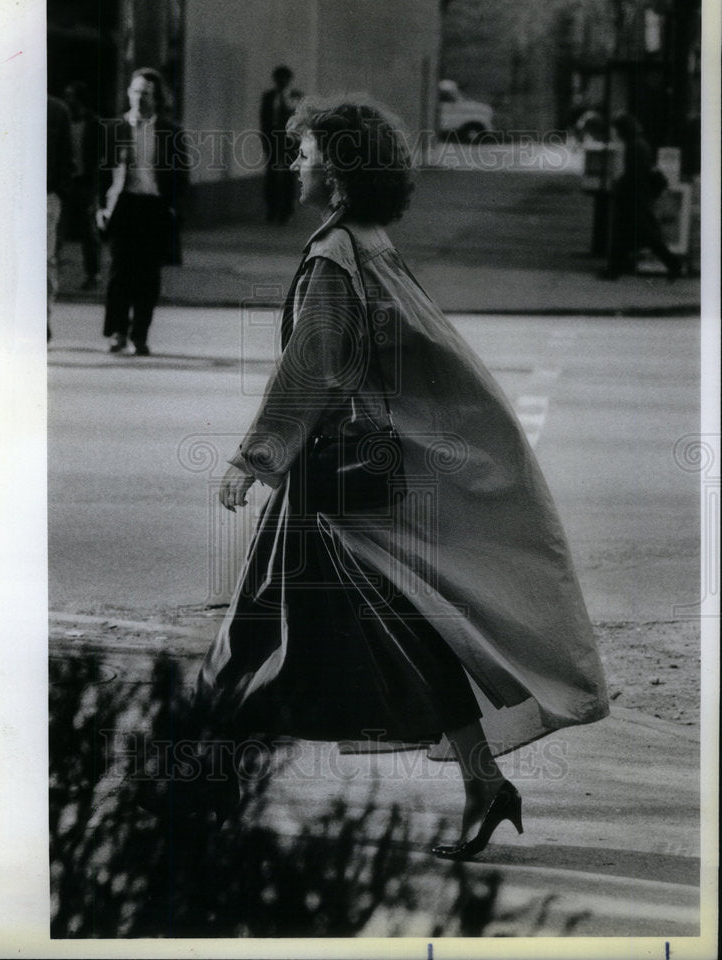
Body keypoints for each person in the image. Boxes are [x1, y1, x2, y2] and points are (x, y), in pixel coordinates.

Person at [191, 97, 609, 859]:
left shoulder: (336, 256)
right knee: (400, 629)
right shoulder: (369, 241)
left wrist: (250, 460)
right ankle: (483, 783)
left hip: (335, 486)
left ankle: (206, 791)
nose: (295, 165)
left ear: (339, 172)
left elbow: (312, 369)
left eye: (306, 153)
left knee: (257, 630)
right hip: (362, 480)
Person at [97, 68, 189, 355]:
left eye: (146, 94)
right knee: (119, 273)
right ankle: (117, 332)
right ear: (128, 94)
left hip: (154, 208)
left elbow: (181, 175)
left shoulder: (170, 131)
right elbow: (101, 173)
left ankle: (140, 334)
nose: (139, 98)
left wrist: (175, 209)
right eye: (135, 92)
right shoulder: (116, 128)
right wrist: (100, 207)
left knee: (148, 276)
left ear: (156, 98)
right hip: (124, 205)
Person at [600, 112, 682, 280]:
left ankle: (673, 264)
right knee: (635, 236)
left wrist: (620, 185)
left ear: (623, 130)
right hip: (638, 197)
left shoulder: (634, 147)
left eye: (617, 129)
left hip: (634, 198)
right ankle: (614, 270)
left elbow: (634, 174)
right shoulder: (639, 144)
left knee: (635, 236)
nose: (615, 133)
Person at [61, 81, 103, 291]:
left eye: (70, 95)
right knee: (59, 227)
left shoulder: (93, 123)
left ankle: (93, 274)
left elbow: (98, 158)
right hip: (66, 182)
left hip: (85, 183)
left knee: (89, 231)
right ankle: (52, 271)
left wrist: (96, 190)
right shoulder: (63, 121)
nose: (67, 100)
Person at [47, 94, 74, 343]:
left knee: (44, 260)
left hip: (46, 196)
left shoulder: (56, 110)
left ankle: (42, 318)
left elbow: (68, 156)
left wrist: (59, 191)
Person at [259, 66, 299, 223]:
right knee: (271, 177)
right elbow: (264, 120)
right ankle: (271, 210)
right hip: (273, 140)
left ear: (289, 80)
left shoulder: (295, 97)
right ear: (275, 80)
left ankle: (286, 211)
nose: (282, 81)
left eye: (285, 78)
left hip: (290, 143)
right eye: (279, 78)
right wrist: (265, 140)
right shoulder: (268, 97)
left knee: (289, 177)